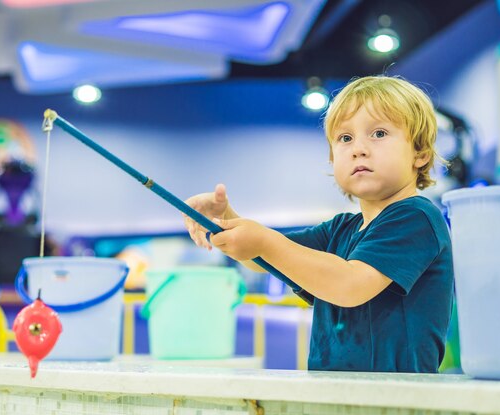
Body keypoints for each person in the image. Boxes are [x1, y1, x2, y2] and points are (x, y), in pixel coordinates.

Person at [183, 75, 454, 373]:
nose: (358, 149)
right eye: (345, 138)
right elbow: (264, 260)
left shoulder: (415, 216)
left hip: (397, 403)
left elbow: (350, 284)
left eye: (378, 133)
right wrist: (227, 221)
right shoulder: (340, 229)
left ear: (420, 153)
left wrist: (262, 240)